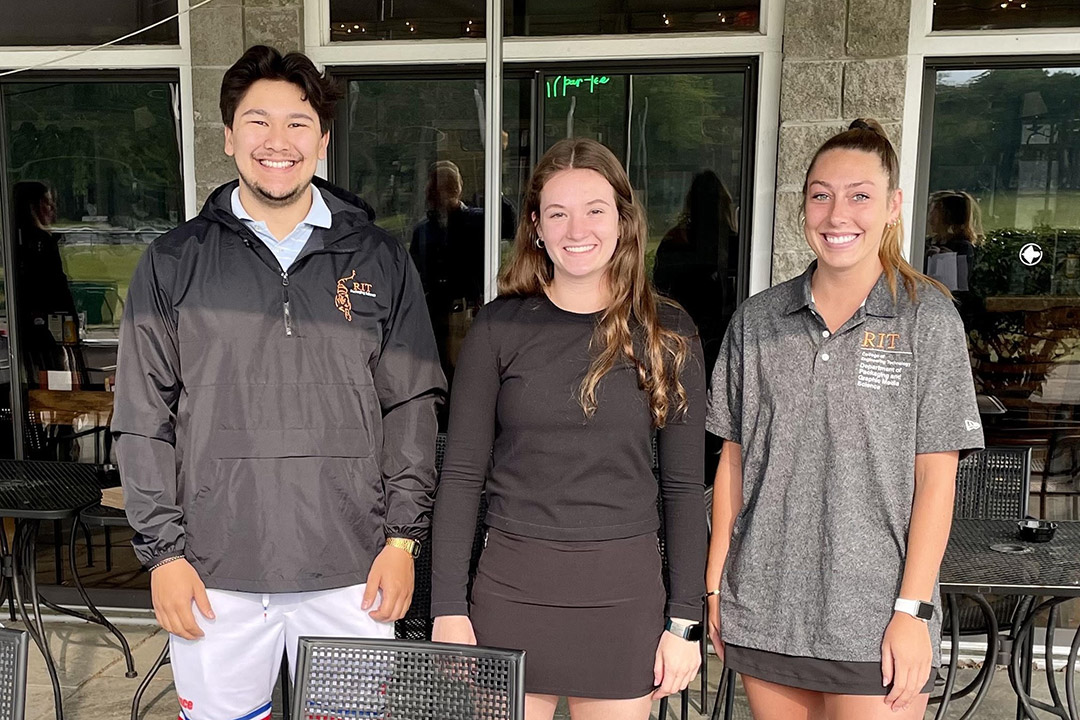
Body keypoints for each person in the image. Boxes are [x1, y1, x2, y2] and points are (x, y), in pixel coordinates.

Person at [112, 45, 446, 720]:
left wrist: (404, 540)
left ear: (322, 139)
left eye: (297, 123)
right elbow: (142, 416)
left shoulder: (379, 258)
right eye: (256, 121)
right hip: (213, 573)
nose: (277, 142)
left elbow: (411, 405)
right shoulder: (172, 263)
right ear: (229, 135)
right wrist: (163, 555)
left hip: (354, 569)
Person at [705, 119, 984, 720]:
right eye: (820, 195)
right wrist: (715, 588)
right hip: (765, 606)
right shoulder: (757, 322)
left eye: (859, 195)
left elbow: (937, 481)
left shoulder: (926, 319)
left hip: (877, 618)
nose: (837, 214)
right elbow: (733, 463)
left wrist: (913, 613)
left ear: (892, 206)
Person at [430, 138, 707, 719]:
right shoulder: (499, 327)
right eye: (557, 212)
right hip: (509, 592)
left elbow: (683, 488)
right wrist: (448, 607)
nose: (576, 228)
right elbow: (460, 475)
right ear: (535, 225)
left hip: (624, 599)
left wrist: (684, 620)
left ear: (624, 219)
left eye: (595, 210)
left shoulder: (670, 331)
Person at [12, 180, 82, 391]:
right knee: (57, 387)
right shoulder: (40, 245)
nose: (53, 209)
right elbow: (54, 289)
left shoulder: (21, 243)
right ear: (33, 207)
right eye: (47, 203)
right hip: (48, 333)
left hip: (39, 331)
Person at [925, 190, 981, 292]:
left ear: (946, 215)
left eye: (933, 212)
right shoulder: (928, 243)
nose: (929, 218)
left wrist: (947, 260)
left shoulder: (962, 247)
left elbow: (961, 285)